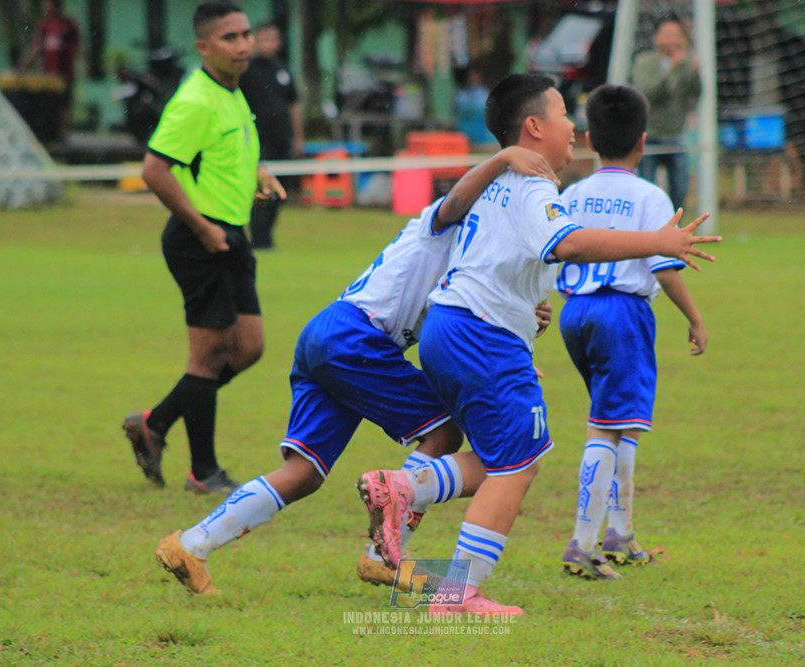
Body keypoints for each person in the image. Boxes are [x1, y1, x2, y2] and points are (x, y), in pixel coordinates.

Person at [359, 73, 719, 617]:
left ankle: (405, 486)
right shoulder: (532, 186)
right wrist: (659, 241)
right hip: (480, 335)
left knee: (494, 457)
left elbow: (497, 255)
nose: (574, 126)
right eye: (563, 114)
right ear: (534, 127)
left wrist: (525, 312)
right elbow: (567, 244)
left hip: (450, 327)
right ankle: (458, 596)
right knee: (518, 466)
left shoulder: (496, 182)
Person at [152, 146, 561, 595]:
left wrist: (516, 330)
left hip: (329, 334)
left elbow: (462, 321)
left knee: (304, 472)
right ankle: (381, 556)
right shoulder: (445, 225)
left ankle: (190, 544)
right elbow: (458, 204)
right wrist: (503, 159)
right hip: (355, 339)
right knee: (444, 431)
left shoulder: (474, 258)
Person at [122, 0, 285, 496]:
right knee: (209, 355)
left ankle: (155, 422)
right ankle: (204, 472)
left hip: (232, 235)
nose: (243, 45)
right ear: (203, 46)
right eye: (230, 38)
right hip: (201, 240)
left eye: (245, 35)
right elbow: (155, 169)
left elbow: (224, 151)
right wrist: (200, 227)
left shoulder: (232, 92)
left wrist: (258, 172)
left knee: (249, 348)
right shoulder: (195, 99)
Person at [555, 84, 708, 581]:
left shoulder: (573, 193)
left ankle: (619, 534)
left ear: (589, 139)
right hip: (622, 313)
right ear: (643, 141)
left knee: (616, 418)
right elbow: (664, 267)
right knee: (606, 425)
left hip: (575, 314)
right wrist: (694, 317)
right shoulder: (649, 196)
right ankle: (582, 544)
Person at [240, 21, 304, 250]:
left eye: (272, 39)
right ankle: (259, 238)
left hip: (281, 140)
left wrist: (297, 137)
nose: (267, 44)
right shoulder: (246, 70)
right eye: (263, 38)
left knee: (279, 190)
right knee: (262, 190)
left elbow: (293, 105)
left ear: (279, 43)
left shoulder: (283, 71)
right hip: (259, 142)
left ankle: (266, 236)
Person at [631, 18, 701, 212]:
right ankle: (647, 230)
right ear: (657, 37)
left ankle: (674, 231)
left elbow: (696, 94)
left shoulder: (685, 63)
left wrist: (696, 74)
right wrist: (672, 69)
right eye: (669, 35)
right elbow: (647, 94)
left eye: (677, 35)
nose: (674, 40)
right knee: (646, 188)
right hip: (649, 136)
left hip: (675, 136)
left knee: (680, 189)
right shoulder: (645, 62)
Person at [17, 0, 81, 142]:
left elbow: (77, 46)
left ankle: (63, 137)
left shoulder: (68, 24)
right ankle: (50, 137)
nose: (46, 7)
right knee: (49, 105)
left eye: (48, 4)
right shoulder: (44, 26)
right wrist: (24, 65)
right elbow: (36, 47)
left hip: (64, 74)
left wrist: (84, 64)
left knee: (64, 105)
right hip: (47, 76)